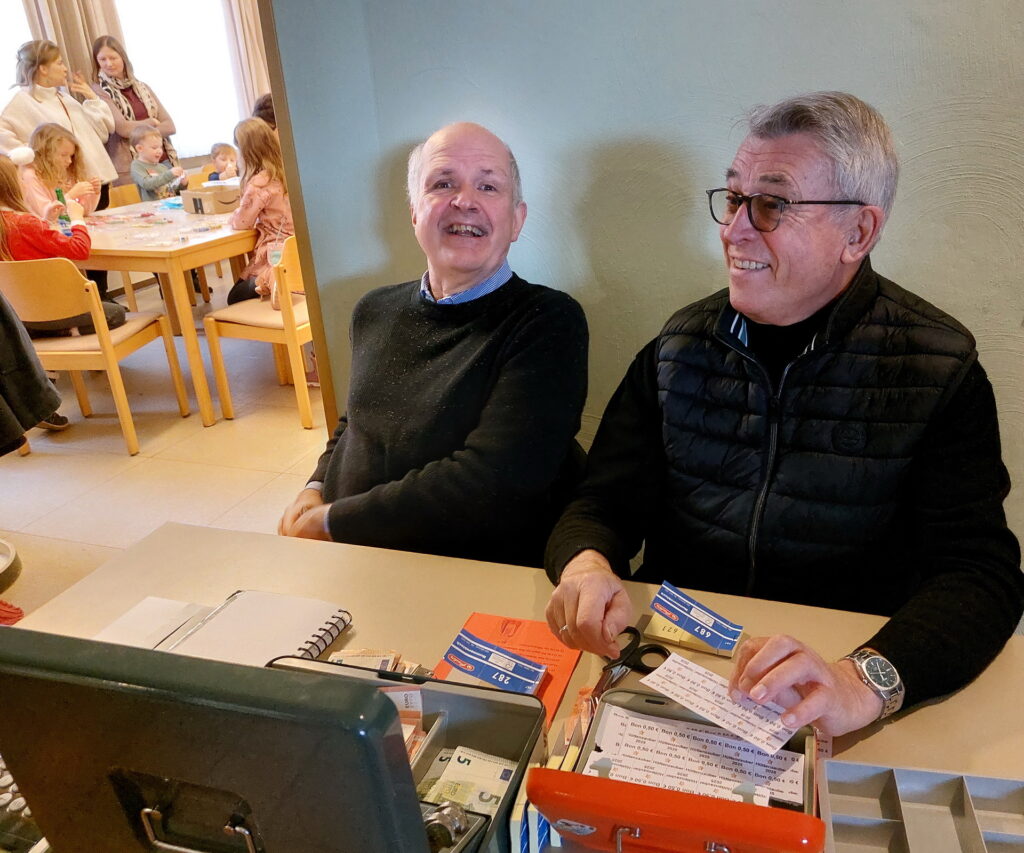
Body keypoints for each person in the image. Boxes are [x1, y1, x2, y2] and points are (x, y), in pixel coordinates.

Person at [544, 92, 1023, 736]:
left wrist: (863, 681)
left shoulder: (937, 366)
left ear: (858, 232)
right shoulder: (678, 346)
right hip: (674, 670)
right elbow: (600, 503)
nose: (733, 228)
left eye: (771, 204)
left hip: (830, 681)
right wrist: (586, 566)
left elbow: (979, 577)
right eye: (735, 198)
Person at [277, 122, 589, 568]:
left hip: (463, 575)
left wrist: (334, 521)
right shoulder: (373, 309)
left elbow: (497, 481)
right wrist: (315, 487)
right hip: (352, 557)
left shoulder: (548, 322)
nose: (465, 200)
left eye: (488, 186)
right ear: (414, 212)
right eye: (443, 183)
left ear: (516, 220)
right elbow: (356, 420)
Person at [0, 154, 124, 339]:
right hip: (52, 308)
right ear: (11, 186)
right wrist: (77, 219)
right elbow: (80, 250)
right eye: (20, 179)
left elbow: (26, 244)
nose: (24, 184)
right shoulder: (24, 223)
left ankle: (34, 331)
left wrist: (45, 221)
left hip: (17, 313)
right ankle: (60, 330)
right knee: (116, 313)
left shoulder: (16, 223)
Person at [91, 35, 178, 188]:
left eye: (113, 58)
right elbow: (123, 128)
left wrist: (139, 131)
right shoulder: (99, 90)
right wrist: (151, 122)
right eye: (102, 59)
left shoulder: (142, 87)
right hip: (130, 166)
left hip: (162, 161)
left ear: (123, 58)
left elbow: (170, 126)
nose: (109, 64)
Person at [226, 117, 293, 304]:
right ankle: (277, 281)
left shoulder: (259, 182)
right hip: (297, 248)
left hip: (275, 250)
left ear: (246, 152)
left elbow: (242, 223)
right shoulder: (288, 172)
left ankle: (269, 279)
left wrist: (232, 216)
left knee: (234, 296)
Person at [19, 124, 100, 219]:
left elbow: (83, 211)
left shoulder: (67, 172)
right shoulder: (31, 176)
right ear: (46, 153)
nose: (69, 161)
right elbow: (46, 215)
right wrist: (71, 195)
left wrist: (93, 193)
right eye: (64, 155)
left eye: (71, 156)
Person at [129, 126, 187, 201]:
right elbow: (147, 184)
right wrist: (169, 174)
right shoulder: (136, 166)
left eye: (160, 147)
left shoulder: (162, 167)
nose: (159, 151)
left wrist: (182, 183)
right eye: (154, 148)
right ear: (140, 148)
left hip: (170, 206)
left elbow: (172, 190)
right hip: (153, 209)